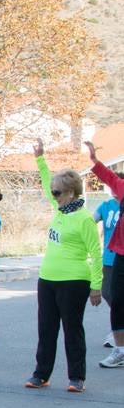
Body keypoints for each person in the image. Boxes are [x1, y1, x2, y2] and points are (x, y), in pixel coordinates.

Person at [24, 139, 102, 393]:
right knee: (46, 328)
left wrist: (96, 286)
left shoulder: (84, 219)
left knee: (72, 329)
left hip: (75, 280)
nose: (53, 196)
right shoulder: (60, 211)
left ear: (70, 193)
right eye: (54, 192)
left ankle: (76, 377)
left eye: (57, 192)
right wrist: (40, 158)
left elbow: (96, 253)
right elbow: (48, 182)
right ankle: (41, 374)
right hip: (48, 278)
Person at [85, 140, 124, 369]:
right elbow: (110, 178)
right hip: (120, 253)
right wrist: (93, 160)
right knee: (118, 300)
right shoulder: (121, 189)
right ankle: (120, 350)